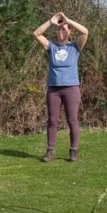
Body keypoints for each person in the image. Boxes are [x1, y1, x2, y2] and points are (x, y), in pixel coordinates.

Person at [33, 12, 89, 162]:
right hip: (54, 90)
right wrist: (51, 22)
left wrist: (68, 20)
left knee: (72, 120)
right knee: (52, 121)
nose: (61, 32)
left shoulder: (75, 47)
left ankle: (74, 151)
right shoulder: (51, 46)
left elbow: (85, 32)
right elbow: (37, 33)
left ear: (69, 31)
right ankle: (50, 151)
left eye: (64, 29)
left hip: (71, 88)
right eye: (59, 29)